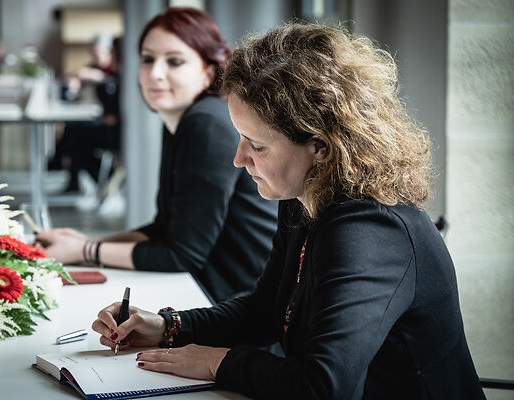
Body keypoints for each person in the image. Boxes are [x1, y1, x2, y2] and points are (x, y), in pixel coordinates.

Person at [90, 23, 486, 399]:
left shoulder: (369, 231)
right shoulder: (304, 199)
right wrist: (168, 326)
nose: (238, 159)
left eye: (256, 145)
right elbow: (265, 311)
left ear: (321, 148)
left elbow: (323, 387)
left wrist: (217, 361)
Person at [37, 8, 278, 303]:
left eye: (174, 62)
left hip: (240, 306)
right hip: (208, 291)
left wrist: (84, 252)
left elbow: (182, 255)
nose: (155, 73)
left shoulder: (206, 125)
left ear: (208, 73)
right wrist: (82, 242)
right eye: (147, 60)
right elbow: (165, 229)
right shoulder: (182, 118)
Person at [56, 34, 122, 193]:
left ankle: (102, 177)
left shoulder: (114, 71)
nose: (94, 56)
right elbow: (68, 94)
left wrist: (102, 78)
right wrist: (72, 85)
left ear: (109, 51)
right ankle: (86, 178)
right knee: (73, 133)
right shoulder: (94, 68)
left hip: (116, 128)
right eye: (92, 52)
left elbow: (114, 90)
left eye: (97, 52)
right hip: (101, 121)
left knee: (74, 137)